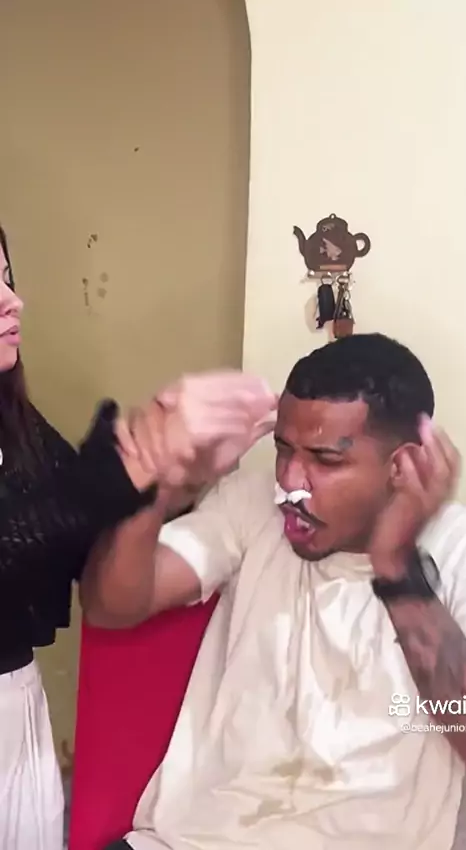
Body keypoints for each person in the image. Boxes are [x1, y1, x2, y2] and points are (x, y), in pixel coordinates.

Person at [82, 332, 466, 850]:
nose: (291, 482)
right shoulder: (253, 506)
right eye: (283, 450)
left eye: (325, 460)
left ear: (402, 466)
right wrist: (163, 487)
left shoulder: (463, 548)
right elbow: (110, 605)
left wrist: (397, 567)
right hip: (195, 841)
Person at [0, 225, 276, 850]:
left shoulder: (16, 425)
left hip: (15, 710)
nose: (14, 301)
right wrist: (136, 463)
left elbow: (83, 536)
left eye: (8, 278)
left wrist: (177, 477)